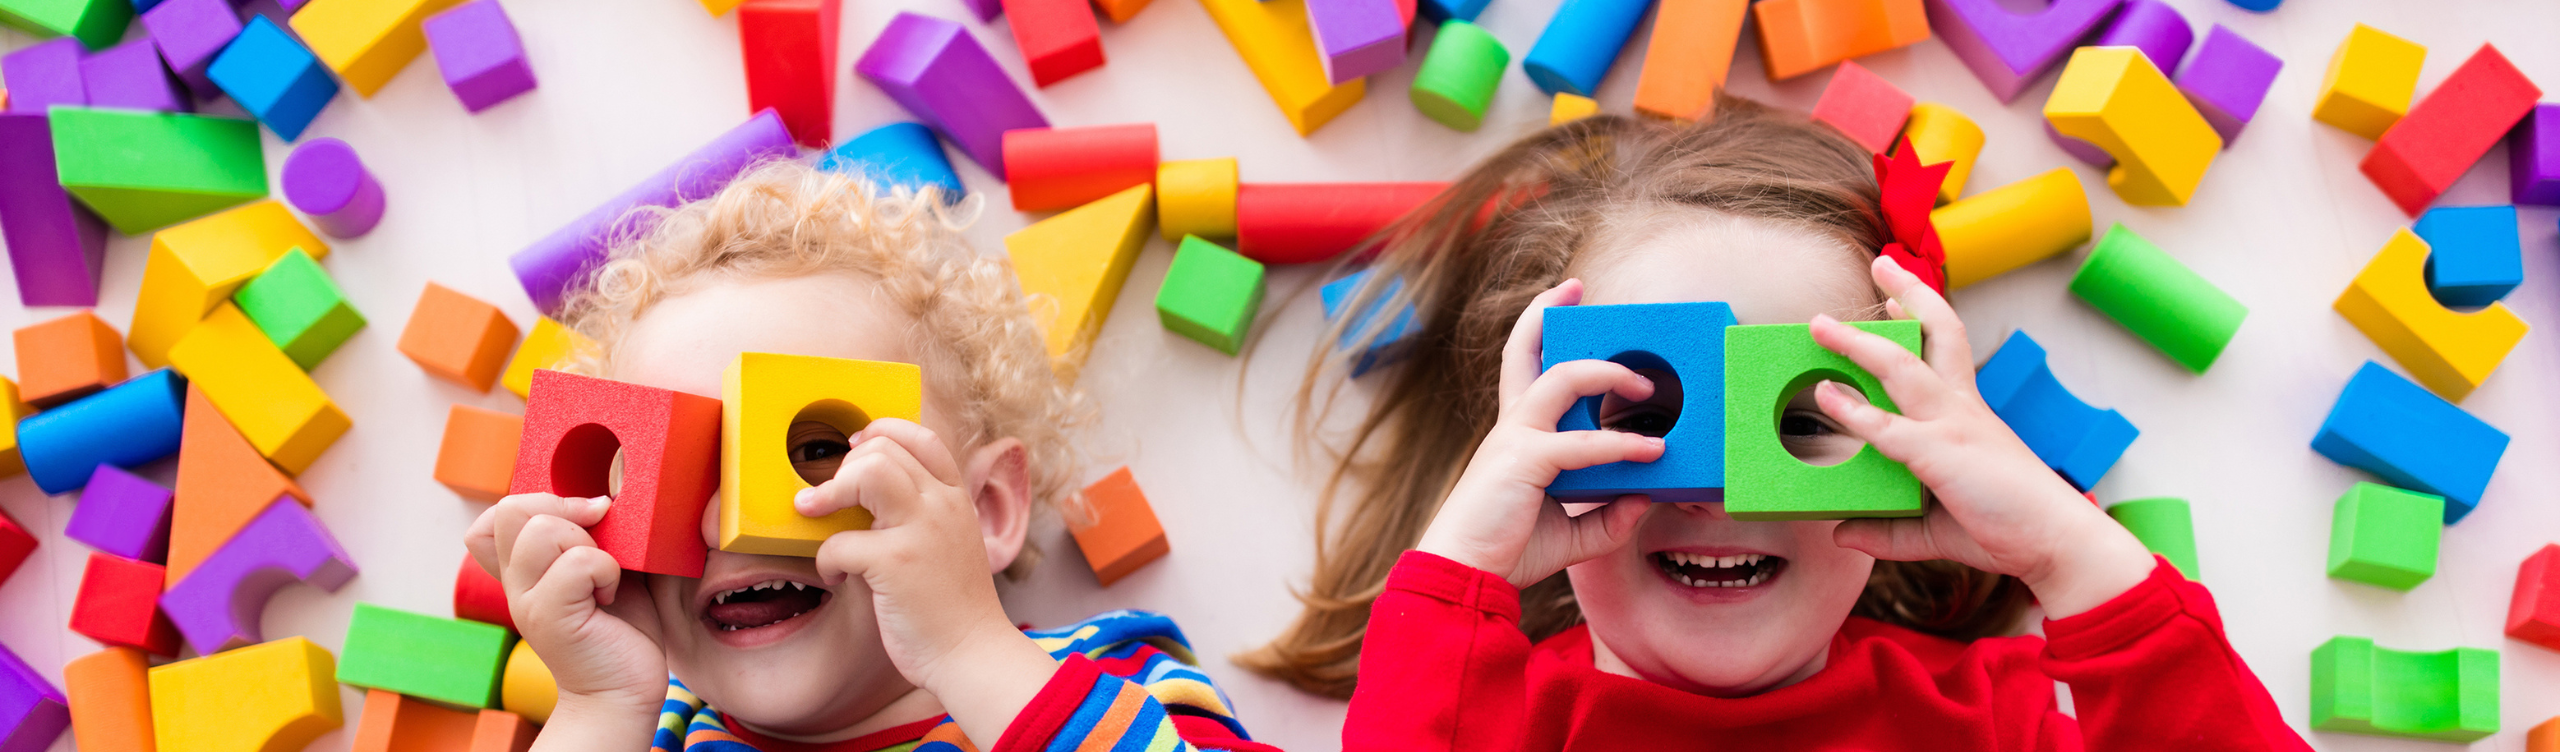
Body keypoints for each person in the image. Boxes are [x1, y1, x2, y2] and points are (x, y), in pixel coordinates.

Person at [1246, 96, 2308, 749]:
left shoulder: (1999, 718)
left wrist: (2068, 554)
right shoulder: (1495, 722)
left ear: (1911, 457)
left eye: (1803, 416)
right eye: (1646, 414)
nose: (1720, 488)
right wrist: (1458, 574)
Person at [465, 162, 1277, 752]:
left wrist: (968, 649)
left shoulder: (1107, 685)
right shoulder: (644, 730)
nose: (721, 521)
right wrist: (597, 705)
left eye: (812, 448)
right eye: (672, 471)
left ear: (986, 509)